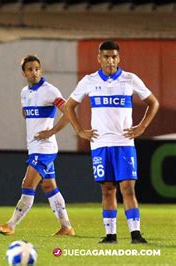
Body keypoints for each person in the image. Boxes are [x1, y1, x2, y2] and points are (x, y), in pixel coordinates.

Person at [64, 40, 159, 244]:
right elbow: (69, 106)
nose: (110, 60)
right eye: (106, 56)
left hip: (124, 144)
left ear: (119, 58)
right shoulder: (88, 81)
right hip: (99, 144)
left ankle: (136, 234)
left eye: (114, 56)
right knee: (107, 189)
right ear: (99, 58)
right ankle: (110, 235)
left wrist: (142, 127)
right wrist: (79, 130)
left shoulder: (129, 79)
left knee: (128, 188)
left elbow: (153, 103)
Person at [0, 55, 75, 237]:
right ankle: (66, 227)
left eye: (37, 68)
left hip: (44, 149)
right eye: (30, 69)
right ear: (24, 73)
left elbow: (69, 112)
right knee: (49, 187)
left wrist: (50, 132)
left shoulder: (50, 91)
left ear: (41, 70)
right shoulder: (24, 93)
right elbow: (26, 113)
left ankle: (10, 225)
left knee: (27, 184)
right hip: (35, 148)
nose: (34, 72)